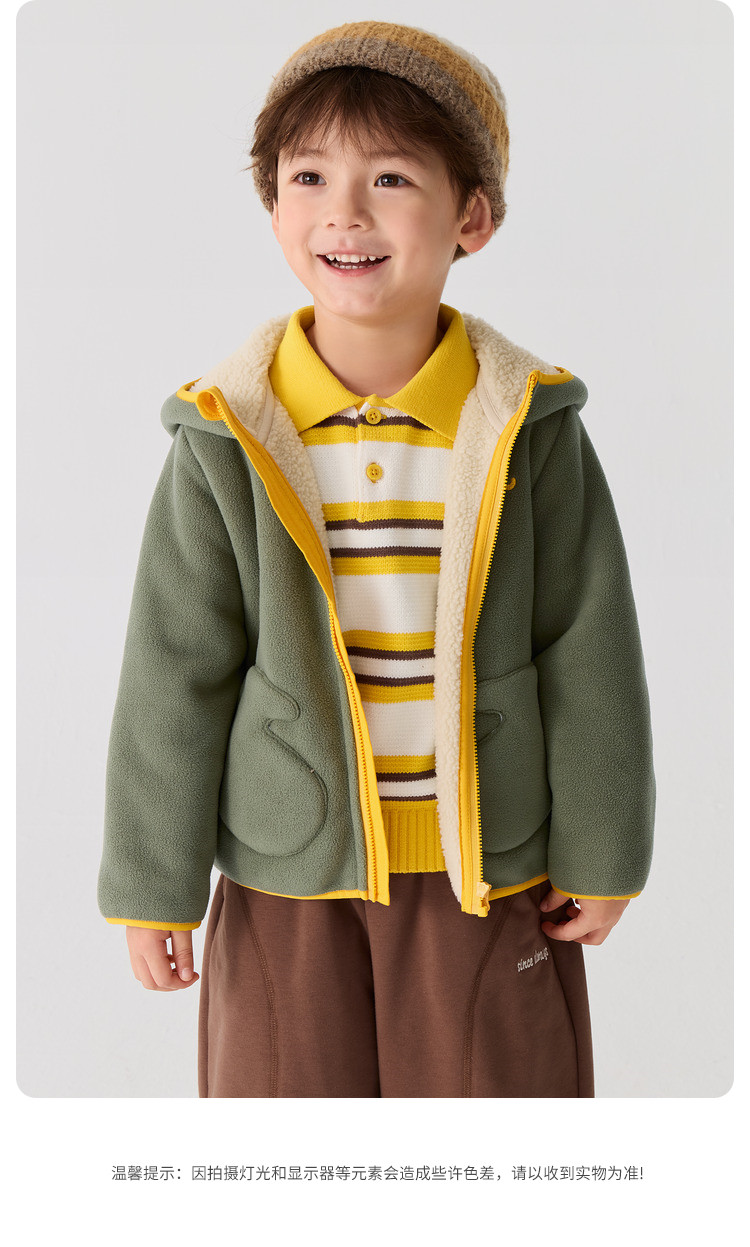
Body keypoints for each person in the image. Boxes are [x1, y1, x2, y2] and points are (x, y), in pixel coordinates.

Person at [97, 20, 656, 1098]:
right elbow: (175, 668)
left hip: (485, 862)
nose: (343, 213)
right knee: (288, 1141)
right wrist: (151, 880)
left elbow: (588, 645)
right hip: (286, 871)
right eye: (308, 177)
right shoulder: (225, 433)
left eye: (391, 177)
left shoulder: (528, 426)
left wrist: (604, 848)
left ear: (472, 215)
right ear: (273, 208)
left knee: (497, 1132)